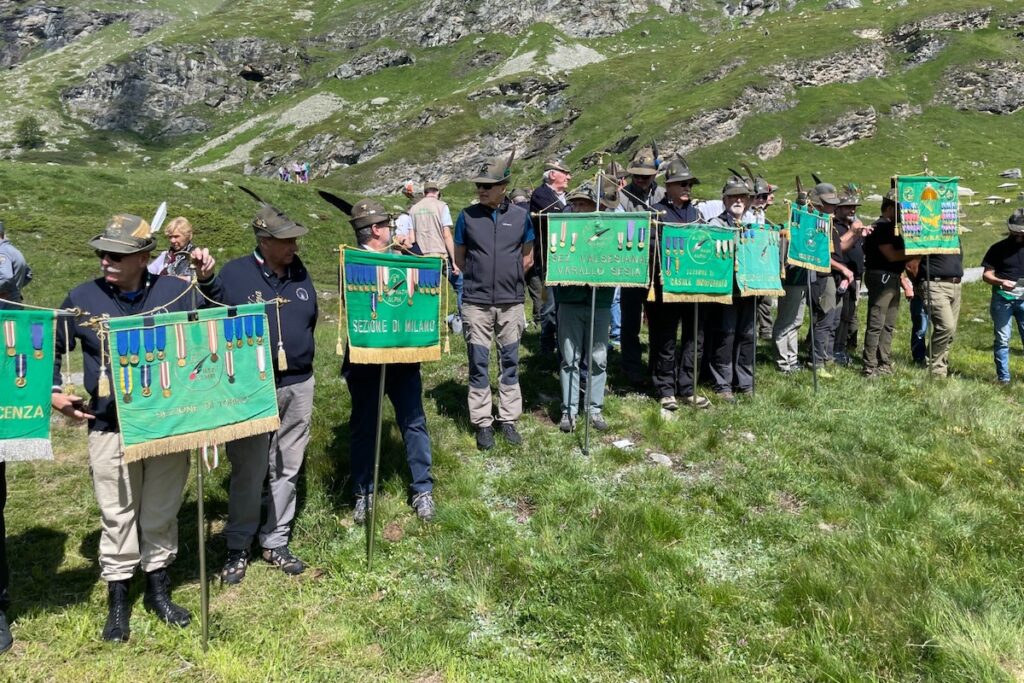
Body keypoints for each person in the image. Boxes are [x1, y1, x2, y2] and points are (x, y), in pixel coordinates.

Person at [52, 214, 219, 642]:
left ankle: (159, 592)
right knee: (117, 513)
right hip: (110, 426)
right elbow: (47, 346)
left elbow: (215, 328)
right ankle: (119, 601)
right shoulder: (82, 297)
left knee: (161, 509)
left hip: (168, 425)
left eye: (117, 254)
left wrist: (209, 278)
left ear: (144, 257)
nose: (106, 260)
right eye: (102, 252)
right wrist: (53, 392)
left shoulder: (176, 291)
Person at [215, 203, 317, 585]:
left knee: (288, 464)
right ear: (264, 240)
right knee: (249, 467)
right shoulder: (235, 274)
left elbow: (310, 318)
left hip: (299, 383)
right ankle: (239, 544)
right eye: (286, 240)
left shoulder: (300, 272)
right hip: (252, 385)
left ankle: (276, 539)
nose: (294, 246)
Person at [343, 199, 435, 522]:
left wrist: (414, 250)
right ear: (377, 230)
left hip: (402, 359)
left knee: (413, 421)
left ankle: (423, 488)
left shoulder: (403, 258)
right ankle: (363, 492)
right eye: (388, 225)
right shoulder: (350, 263)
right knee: (364, 425)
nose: (393, 230)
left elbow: (428, 281)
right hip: (366, 360)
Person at [454, 153, 535, 450]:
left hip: (511, 301)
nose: (481, 190)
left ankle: (509, 418)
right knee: (478, 362)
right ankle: (483, 422)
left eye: (488, 185)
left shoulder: (520, 217)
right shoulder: (466, 216)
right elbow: (460, 259)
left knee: (510, 360)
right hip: (475, 302)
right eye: (479, 185)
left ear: (504, 186)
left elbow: (528, 257)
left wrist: (510, 276)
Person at [648, 156, 709, 409]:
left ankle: (687, 387)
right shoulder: (656, 213)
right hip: (666, 286)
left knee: (694, 338)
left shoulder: (697, 214)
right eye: (682, 184)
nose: (687, 188)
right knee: (665, 338)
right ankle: (665, 388)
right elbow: (651, 249)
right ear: (669, 186)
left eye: (689, 184)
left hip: (694, 287)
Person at [556, 180, 617, 431]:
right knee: (570, 358)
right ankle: (568, 411)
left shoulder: (610, 231)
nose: (579, 208)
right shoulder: (564, 229)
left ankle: (594, 409)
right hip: (570, 300)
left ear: (597, 206)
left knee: (598, 358)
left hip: (600, 302)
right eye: (576, 204)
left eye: (585, 204)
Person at [706, 173, 756, 400]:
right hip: (725, 290)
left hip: (749, 289)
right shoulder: (715, 224)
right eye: (733, 197)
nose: (738, 201)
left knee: (747, 335)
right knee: (725, 335)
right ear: (724, 200)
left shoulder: (756, 224)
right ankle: (723, 384)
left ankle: (745, 382)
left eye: (742, 197)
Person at [618, 146, 666, 387]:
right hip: (631, 266)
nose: (640, 180)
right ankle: (631, 368)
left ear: (654, 175)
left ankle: (658, 367)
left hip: (658, 266)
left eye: (645, 176)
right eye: (636, 175)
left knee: (659, 320)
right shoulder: (623, 196)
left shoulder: (664, 195)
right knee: (629, 322)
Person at [861, 191, 910, 377]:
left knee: (888, 323)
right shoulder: (881, 228)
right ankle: (869, 365)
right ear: (890, 208)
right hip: (882, 276)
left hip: (892, 277)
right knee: (877, 322)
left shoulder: (890, 227)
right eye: (898, 208)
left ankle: (884, 361)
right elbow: (890, 255)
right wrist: (915, 254)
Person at [528, 159, 571, 352]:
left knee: (564, 303)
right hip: (548, 257)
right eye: (565, 172)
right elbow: (559, 215)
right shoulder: (541, 194)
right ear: (553, 174)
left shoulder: (566, 196)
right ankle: (546, 345)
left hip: (567, 256)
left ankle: (562, 341)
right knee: (550, 303)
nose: (569, 176)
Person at [981, 208, 1024, 384]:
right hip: (1002, 298)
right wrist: (1001, 282)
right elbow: (986, 275)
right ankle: (1004, 379)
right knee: (1003, 339)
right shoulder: (998, 249)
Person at [408, 181, 461, 315]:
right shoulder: (442, 206)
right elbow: (447, 235)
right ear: (437, 192)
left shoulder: (413, 209)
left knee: (426, 290)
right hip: (440, 255)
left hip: (421, 257)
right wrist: (455, 261)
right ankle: (463, 319)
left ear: (424, 193)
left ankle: (424, 321)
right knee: (461, 286)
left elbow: (412, 239)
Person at [831, 191, 866, 366]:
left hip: (855, 276)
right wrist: (853, 232)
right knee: (838, 314)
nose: (852, 210)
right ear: (838, 208)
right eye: (848, 207)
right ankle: (833, 349)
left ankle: (841, 347)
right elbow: (838, 248)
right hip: (839, 276)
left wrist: (860, 234)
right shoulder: (834, 226)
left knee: (849, 314)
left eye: (853, 207)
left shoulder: (851, 225)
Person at [0, 220, 31, 309]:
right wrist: (15, 289)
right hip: (15, 303)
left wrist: (6, 290)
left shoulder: (2, 252)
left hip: (4, 304)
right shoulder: (13, 250)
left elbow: (6, 277)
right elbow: (28, 275)